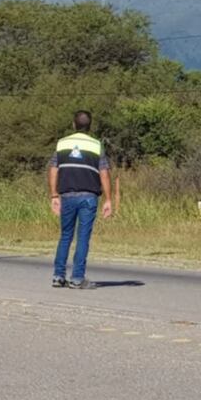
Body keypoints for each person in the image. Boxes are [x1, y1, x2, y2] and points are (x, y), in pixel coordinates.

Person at [47, 110, 113, 289]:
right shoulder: (96, 145)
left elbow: (53, 169)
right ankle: (77, 279)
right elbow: (104, 173)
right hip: (89, 196)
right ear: (90, 126)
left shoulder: (62, 143)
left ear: (73, 124)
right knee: (83, 237)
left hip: (67, 195)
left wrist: (54, 195)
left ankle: (58, 276)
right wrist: (108, 199)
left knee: (65, 235)